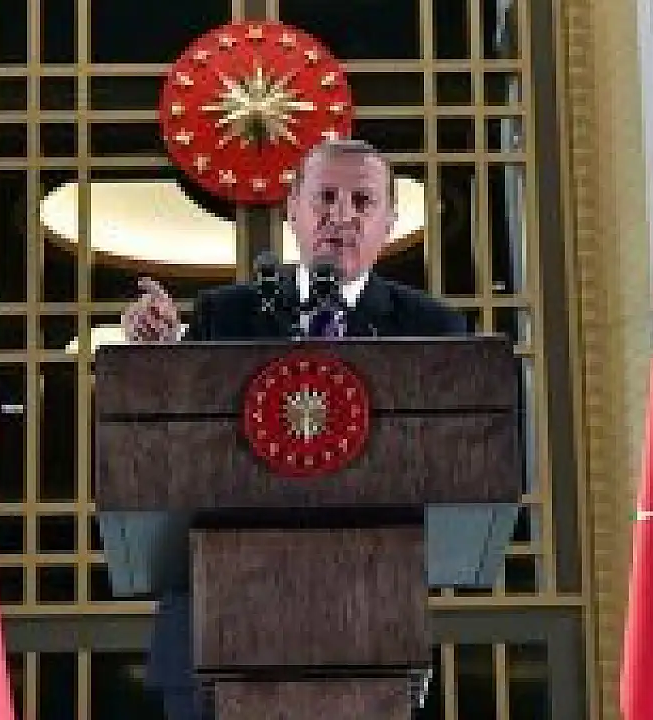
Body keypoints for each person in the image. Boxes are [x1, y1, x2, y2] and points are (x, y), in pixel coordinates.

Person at [120, 138, 466, 720]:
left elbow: (454, 464)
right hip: (216, 627)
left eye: (362, 201)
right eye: (325, 197)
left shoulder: (431, 330)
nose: (341, 216)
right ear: (293, 211)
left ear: (389, 220)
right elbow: (172, 455)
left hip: (367, 627)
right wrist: (160, 359)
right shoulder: (226, 315)